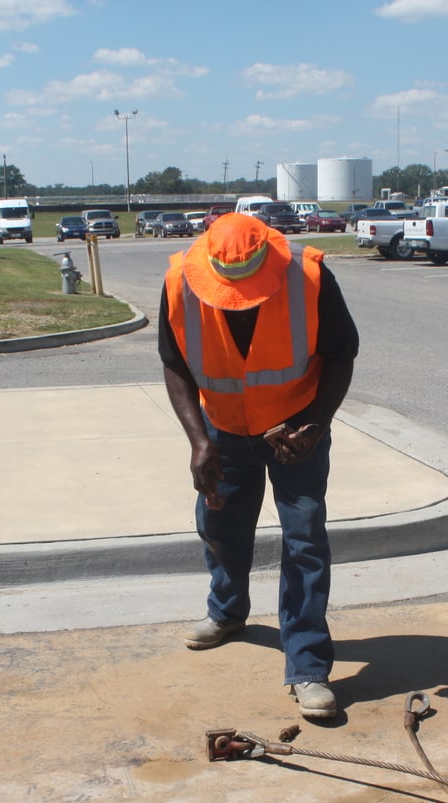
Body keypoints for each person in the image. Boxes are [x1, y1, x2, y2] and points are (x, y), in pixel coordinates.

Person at [158, 211, 358, 719]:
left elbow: (341, 354)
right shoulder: (180, 279)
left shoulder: (309, 274)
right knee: (220, 523)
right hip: (223, 428)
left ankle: (308, 664)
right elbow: (175, 362)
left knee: (305, 538)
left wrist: (315, 424)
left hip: (297, 431)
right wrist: (198, 441)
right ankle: (226, 613)